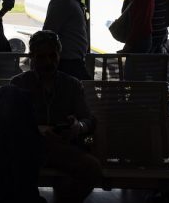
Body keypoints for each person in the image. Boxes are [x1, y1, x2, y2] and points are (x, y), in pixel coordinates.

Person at [10, 31, 101, 203]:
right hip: (29, 147)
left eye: (52, 56)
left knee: (92, 168)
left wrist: (78, 127)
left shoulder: (72, 85)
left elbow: (88, 120)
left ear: (59, 55)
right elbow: (10, 123)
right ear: (32, 57)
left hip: (55, 148)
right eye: (42, 57)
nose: (48, 62)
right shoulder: (18, 84)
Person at [42, 0, 94, 81]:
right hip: (68, 64)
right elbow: (48, 33)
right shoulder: (63, 0)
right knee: (87, 95)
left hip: (72, 63)